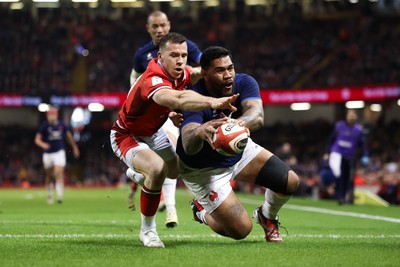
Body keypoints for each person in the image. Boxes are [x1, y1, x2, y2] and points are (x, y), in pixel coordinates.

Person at [110, 33, 239, 248]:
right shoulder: (152, 79)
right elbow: (178, 98)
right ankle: (148, 231)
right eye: (174, 55)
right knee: (157, 169)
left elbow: (195, 73)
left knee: (175, 171)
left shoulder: (181, 73)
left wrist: (217, 73)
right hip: (127, 134)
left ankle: (139, 175)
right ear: (160, 56)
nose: (180, 60)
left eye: (184, 55)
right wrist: (215, 102)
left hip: (154, 131)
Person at [176, 46, 300, 242]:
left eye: (230, 68)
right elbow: (188, 144)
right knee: (241, 230)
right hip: (203, 170)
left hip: (237, 151)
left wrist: (238, 123)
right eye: (220, 70)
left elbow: (257, 116)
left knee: (290, 181)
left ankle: (267, 216)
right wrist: (200, 131)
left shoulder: (244, 82)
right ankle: (201, 211)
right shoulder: (194, 97)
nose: (228, 75)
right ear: (205, 74)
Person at [127, 10, 203, 228]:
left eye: (163, 25)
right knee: (162, 160)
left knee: (171, 155)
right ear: (148, 29)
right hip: (152, 110)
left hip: (176, 106)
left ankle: (170, 209)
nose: (160, 30)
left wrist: (187, 72)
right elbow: (134, 79)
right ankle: (144, 181)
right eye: (155, 27)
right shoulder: (142, 55)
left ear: (169, 25)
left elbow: (202, 68)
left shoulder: (183, 47)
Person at [323, 109, 369, 205]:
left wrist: (365, 155)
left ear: (356, 117)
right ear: (346, 116)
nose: (351, 117)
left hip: (350, 156)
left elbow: (363, 144)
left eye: (353, 115)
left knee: (350, 177)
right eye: (350, 115)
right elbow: (330, 140)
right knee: (340, 176)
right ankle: (341, 197)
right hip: (338, 154)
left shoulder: (358, 129)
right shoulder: (339, 126)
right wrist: (327, 152)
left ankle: (350, 197)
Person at [34, 107, 80, 204]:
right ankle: (50, 195)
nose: (51, 117)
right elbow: (37, 140)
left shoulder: (62, 125)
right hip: (48, 154)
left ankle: (59, 196)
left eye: (53, 115)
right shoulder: (44, 126)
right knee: (49, 175)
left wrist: (75, 147)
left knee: (58, 173)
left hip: (59, 152)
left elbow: (69, 137)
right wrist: (43, 144)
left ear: (56, 116)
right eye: (49, 115)